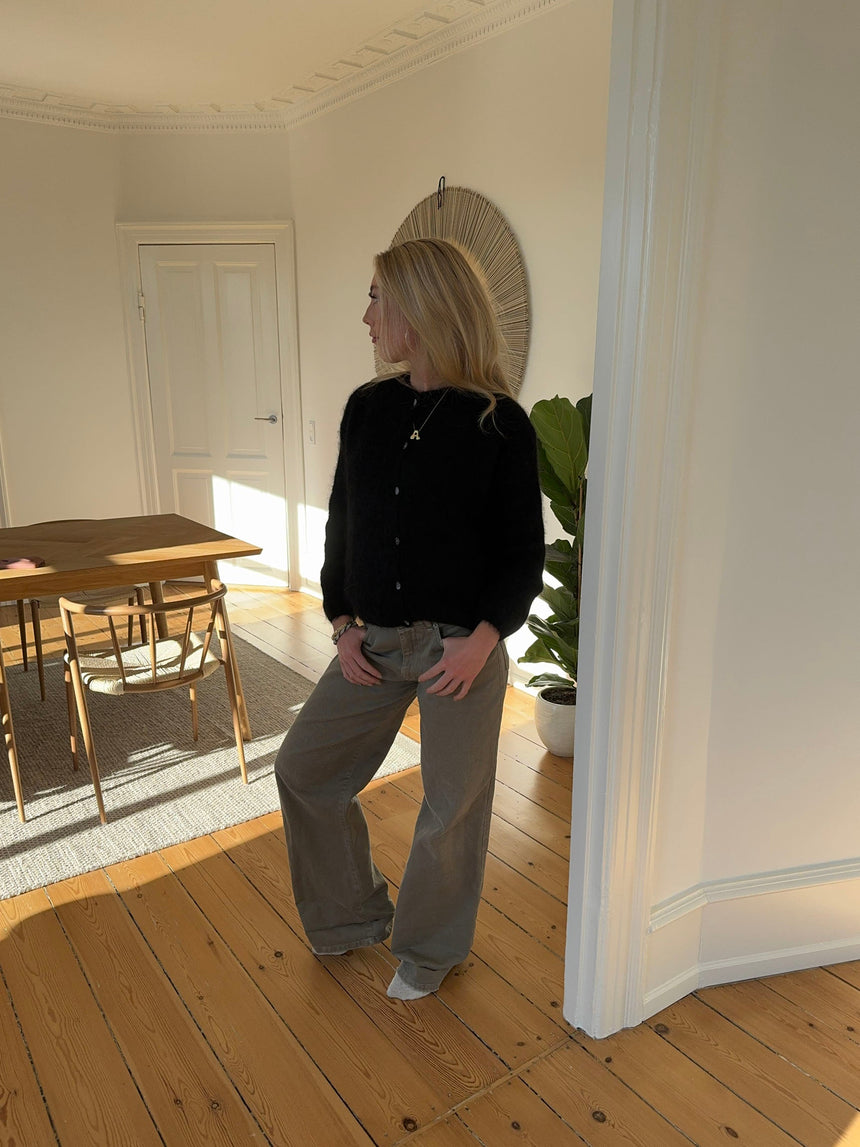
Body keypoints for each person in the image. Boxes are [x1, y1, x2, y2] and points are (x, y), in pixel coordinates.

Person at [275, 237, 544, 1000]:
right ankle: (350, 915)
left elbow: (522, 552)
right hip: (374, 641)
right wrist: (341, 622)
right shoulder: (368, 409)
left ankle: (428, 950)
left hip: (459, 648)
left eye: (376, 298)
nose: (367, 317)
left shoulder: (499, 423)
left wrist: (483, 642)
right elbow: (342, 525)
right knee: (303, 769)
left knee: (451, 804)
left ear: (419, 308)